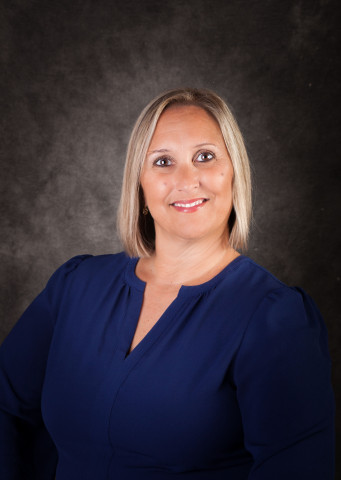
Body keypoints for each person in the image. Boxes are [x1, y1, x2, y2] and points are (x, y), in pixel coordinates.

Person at [0, 88, 334, 479]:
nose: (187, 179)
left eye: (205, 157)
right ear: (140, 186)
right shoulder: (75, 286)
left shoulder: (275, 317)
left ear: (234, 172)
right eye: (163, 162)